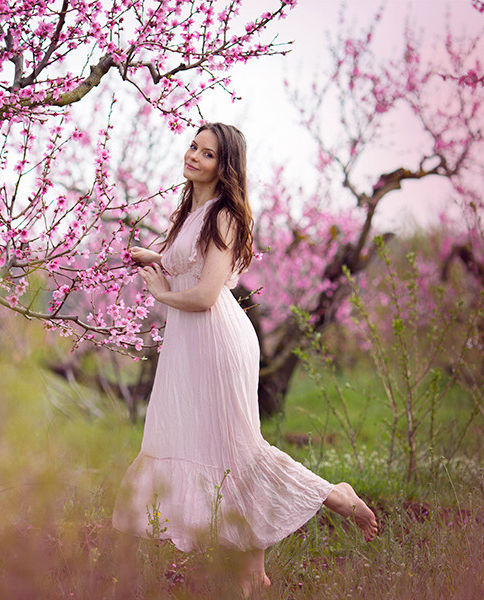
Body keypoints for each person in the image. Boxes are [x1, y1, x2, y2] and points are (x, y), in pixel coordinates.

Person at [112, 122, 378, 596]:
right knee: (223, 453)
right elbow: (188, 260)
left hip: (215, 340)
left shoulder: (225, 216)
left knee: (240, 452)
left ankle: (334, 495)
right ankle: (251, 572)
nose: (194, 156)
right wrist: (153, 256)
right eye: (193, 146)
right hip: (190, 345)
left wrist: (159, 292)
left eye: (208, 154)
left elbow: (205, 294)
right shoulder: (192, 210)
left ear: (225, 165)